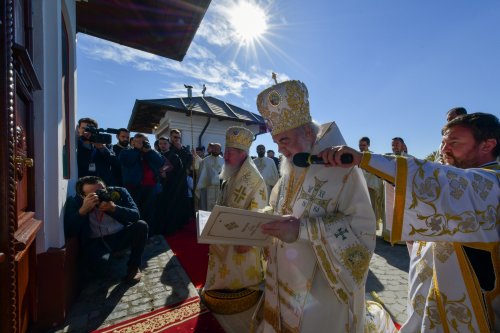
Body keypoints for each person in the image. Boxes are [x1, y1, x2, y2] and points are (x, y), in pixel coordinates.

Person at [319, 112, 500, 332]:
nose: (444, 150)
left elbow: (437, 180)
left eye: (454, 142)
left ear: (487, 145)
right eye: (443, 142)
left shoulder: (491, 182)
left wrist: (363, 159)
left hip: (475, 307)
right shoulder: (460, 175)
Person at [255, 80, 395, 332]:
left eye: (284, 139)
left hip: (324, 288)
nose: (280, 149)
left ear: (308, 133)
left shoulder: (343, 173)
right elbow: (279, 205)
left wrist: (303, 230)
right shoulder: (291, 169)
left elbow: (361, 232)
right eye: (276, 142)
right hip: (285, 276)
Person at [202, 126, 268, 316]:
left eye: (230, 152)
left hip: (241, 240)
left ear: (243, 154)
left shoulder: (255, 179)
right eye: (226, 151)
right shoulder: (229, 172)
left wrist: (247, 241)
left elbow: (259, 211)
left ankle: (243, 288)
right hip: (223, 234)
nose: (226, 156)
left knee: (239, 271)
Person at [64, 176, 148, 283]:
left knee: (141, 225)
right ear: (82, 196)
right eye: (92, 195)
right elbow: (69, 230)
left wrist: (114, 209)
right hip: (97, 243)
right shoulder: (75, 202)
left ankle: (134, 267)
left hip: (120, 235)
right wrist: (82, 211)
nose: (98, 196)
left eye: (100, 191)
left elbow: (135, 215)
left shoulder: (119, 192)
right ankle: (107, 260)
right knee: (103, 271)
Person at [119, 133, 164, 235]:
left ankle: (150, 235)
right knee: (135, 213)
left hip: (150, 187)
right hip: (133, 188)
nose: (141, 144)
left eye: (144, 141)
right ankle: (135, 236)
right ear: (133, 142)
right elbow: (127, 162)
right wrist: (136, 150)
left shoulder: (150, 152)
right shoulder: (126, 152)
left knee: (150, 213)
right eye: (138, 142)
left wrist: (149, 152)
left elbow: (160, 162)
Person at [381, 137, 413, 243]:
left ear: (403, 145)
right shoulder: (387, 158)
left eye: (397, 144)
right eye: (393, 145)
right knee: (391, 210)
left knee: (405, 214)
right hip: (390, 190)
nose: (394, 146)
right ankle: (391, 237)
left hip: (405, 192)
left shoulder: (411, 159)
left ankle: (405, 240)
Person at [76, 117, 116, 186]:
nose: (86, 132)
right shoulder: (75, 144)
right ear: (78, 129)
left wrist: (102, 148)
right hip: (83, 184)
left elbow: (114, 161)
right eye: (83, 128)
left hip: (103, 183)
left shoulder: (105, 143)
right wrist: (85, 145)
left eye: (90, 129)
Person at [358, 137, 384, 229]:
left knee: (371, 209)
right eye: (360, 145)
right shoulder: (356, 156)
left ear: (368, 145)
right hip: (359, 187)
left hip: (370, 187)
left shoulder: (373, 157)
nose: (361, 147)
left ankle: (371, 229)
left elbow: (376, 171)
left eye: (364, 145)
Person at [195, 143, 224, 211]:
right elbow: (201, 176)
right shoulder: (205, 161)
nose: (216, 150)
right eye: (215, 148)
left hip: (219, 189)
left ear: (220, 150)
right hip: (207, 188)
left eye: (218, 149)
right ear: (212, 149)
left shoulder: (223, 161)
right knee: (206, 208)